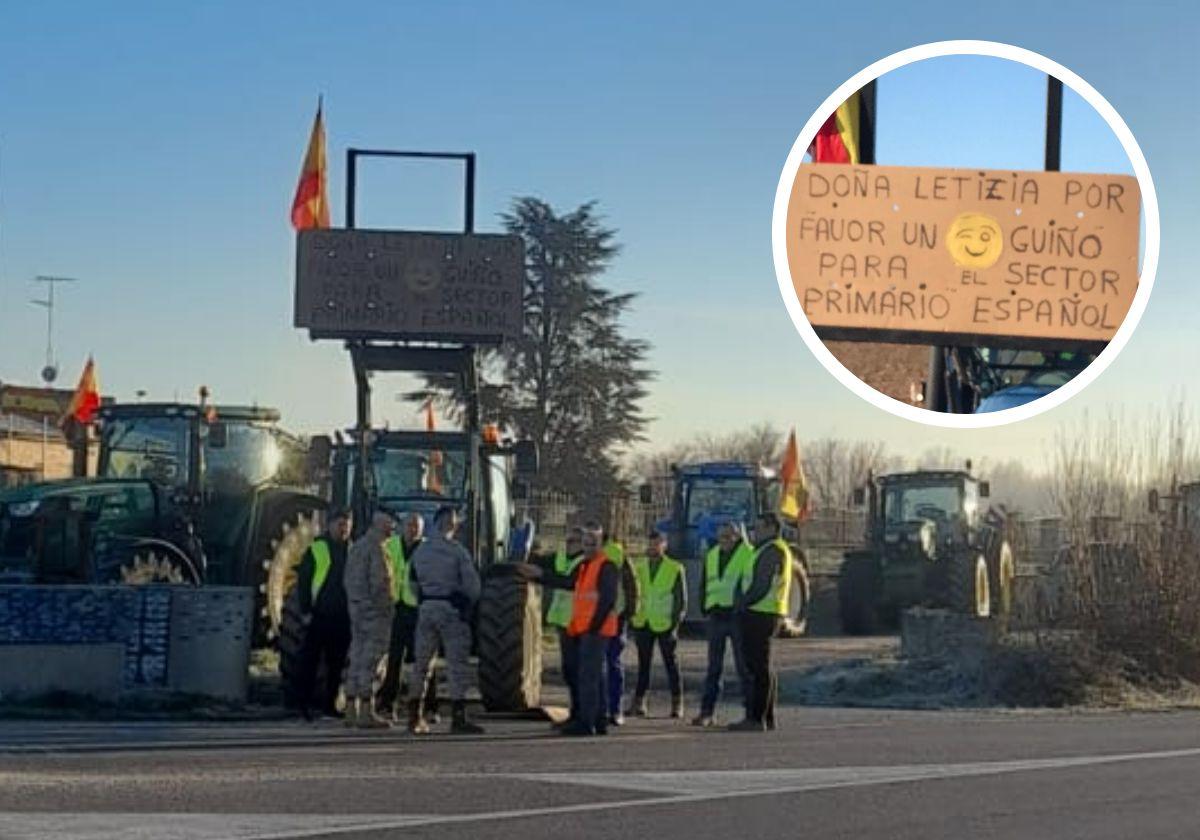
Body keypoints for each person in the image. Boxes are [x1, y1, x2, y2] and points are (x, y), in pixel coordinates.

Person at [408, 506, 484, 735]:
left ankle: (415, 716)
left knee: (421, 665)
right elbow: (473, 587)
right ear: (452, 524)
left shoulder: (420, 552)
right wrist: (466, 604)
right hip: (451, 610)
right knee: (456, 665)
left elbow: (412, 584)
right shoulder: (457, 552)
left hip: (426, 609)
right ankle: (458, 717)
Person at [730, 512, 793, 732]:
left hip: (760, 614)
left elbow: (761, 585)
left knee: (758, 669)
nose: (754, 531)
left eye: (758, 527)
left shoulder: (772, 550)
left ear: (771, 528)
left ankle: (757, 718)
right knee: (761, 668)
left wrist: (742, 604)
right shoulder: (765, 549)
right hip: (762, 612)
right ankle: (766, 716)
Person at [293, 506, 354, 721]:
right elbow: (304, 581)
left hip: (343, 617)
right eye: (340, 525)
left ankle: (330, 705)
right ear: (330, 525)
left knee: (336, 664)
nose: (343, 529)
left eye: (346, 525)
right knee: (309, 662)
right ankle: (302, 705)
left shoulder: (354, 551)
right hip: (319, 615)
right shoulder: (318, 548)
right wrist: (306, 610)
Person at [376, 512, 438, 722]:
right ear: (402, 527)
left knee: (425, 660)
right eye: (410, 525)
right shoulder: (390, 546)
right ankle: (387, 704)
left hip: (419, 610)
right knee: (394, 659)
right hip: (397, 609)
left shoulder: (429, 549)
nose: (413, 529)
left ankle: (430, 708)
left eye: (417, 526)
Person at [693, 520, 754, 727]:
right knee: (713, 668)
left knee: (743, 667)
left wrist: (743, 609)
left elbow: (750, 584)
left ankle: (750, 712)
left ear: (737, 537)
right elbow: (705, 583)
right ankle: (707, 712)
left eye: (729, 537)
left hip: (738, 617)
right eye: (721, 537)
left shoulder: (748, 554)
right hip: (716, 615)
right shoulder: (711, 555)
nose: (725, 541)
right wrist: (704, 606)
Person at [561, 523, 619, 737]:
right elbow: (567, 582)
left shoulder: (606, 566)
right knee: (597, 677)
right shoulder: (584, 565)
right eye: (585, 543)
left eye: (593, 543)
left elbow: (607, 600)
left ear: (601, 543)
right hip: (585, 629)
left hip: (596, 630)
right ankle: (599, 720)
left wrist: (593, 628)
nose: (588, 547)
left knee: (589, 677)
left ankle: (586, 722)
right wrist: (536, 574)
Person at [343, 511, 396, 729]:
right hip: (375, 613)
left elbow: (347, 580)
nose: (393, 528)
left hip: (356, 610)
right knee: (373, 660)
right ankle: (366, 708)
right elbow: (380, 584)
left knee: (356, 655)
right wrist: (387, 608)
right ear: (381, 525)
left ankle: (350, 707)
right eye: (390, 524)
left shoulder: (357, 547)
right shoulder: (377, 549)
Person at [626, 529, 687, 718]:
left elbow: (681, 600)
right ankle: (639, 702)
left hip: (664, 622)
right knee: (643, 664)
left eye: (657, 543)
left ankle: (677, 703)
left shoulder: (675, 568)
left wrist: (675, 623)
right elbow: (633, 592)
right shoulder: (639, 566)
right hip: (643, 621)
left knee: (671, 663)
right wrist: (632, 618)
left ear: (664, 545)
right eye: (651, 544)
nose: (653, 547)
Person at [531, 527, 586, 726]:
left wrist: (541, 576)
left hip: (580, 623)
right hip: (565, 623)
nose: (570, 545)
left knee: (580, 670)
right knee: (569, 670)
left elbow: (570, 583)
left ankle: (582, 713)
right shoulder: (562, 558)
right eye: (568, 541)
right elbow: (543, 562)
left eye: (575, 541)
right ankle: (575, 711)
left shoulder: (584, 562)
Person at [602, 530, 639, 726]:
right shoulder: (619, 554)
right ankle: (614, 710)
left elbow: (631, 585)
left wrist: (628, 612)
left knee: (604, 664)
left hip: (607, 616)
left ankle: (608, 709)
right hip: (615, 615)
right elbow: (633, 585)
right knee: (613, 663)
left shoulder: (609, 554)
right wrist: (629, 612)